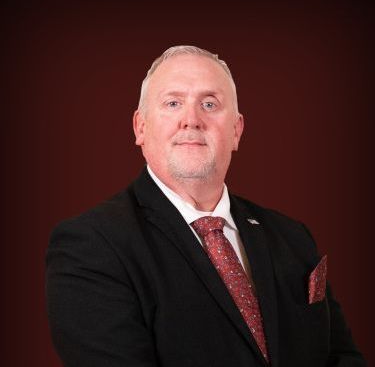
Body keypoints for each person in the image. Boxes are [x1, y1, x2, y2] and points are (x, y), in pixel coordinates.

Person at [46, 45, 366, 367]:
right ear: (140, 127)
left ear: (237, 130)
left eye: (210, 104)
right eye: (173, 103)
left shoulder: (293, 238)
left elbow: (342, 358)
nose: (192, 120)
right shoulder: (92, 246)